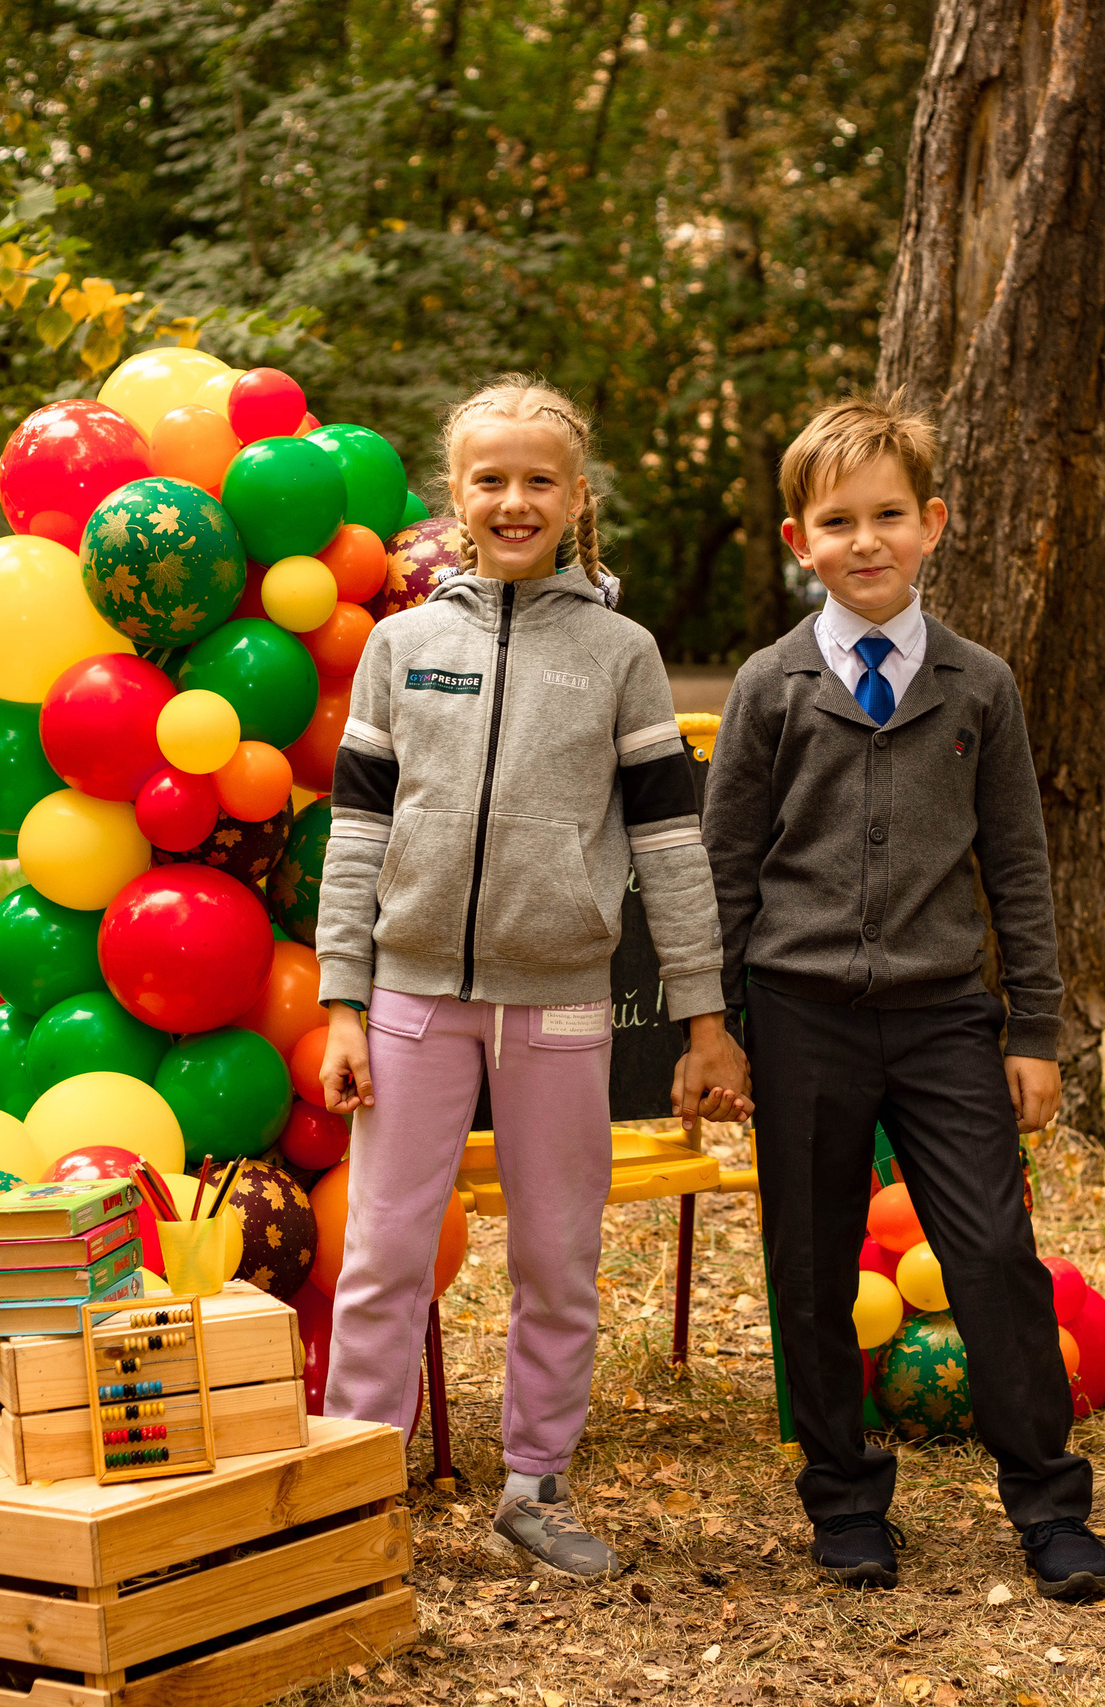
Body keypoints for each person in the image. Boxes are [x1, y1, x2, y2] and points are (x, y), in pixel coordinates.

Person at [313, 375, 752, 1582]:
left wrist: (704, 1021)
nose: (514, 501)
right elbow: (356, 835)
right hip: (409, 998)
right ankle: (352, 1494)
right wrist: (341, 1001)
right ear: (455, 496)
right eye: (490, 480)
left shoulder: (621, 654)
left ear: (574, 499)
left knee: (557, 1257)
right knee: (386, 1253)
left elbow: (669, 843)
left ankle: (535, 1486)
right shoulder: (402, 647)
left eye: (538, 481)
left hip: (562, 998)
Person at [701, 396, 1105, 1602]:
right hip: (800, 1019)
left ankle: (1047, 1504)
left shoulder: (979, 687)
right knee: (814, 1260)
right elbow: (725, 869)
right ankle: (843, 1499)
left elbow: (1020, 867)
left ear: (932, 525)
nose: (866, 540)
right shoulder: (772, 687)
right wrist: (715, 1028)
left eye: (889, 515)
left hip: (946, 1022)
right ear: (800, 540)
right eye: (839, 521)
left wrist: (1031, 1030)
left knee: (993, 1254)